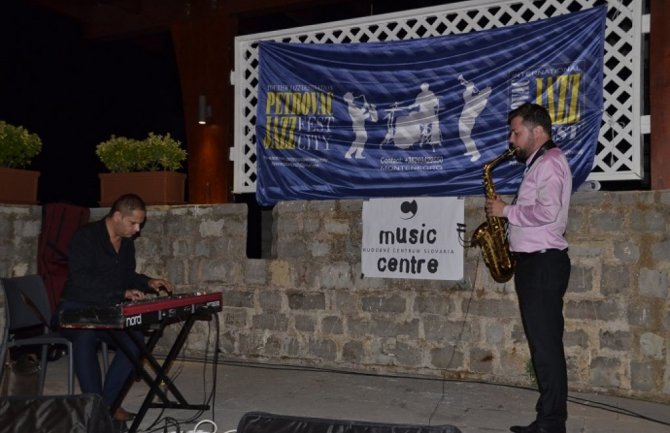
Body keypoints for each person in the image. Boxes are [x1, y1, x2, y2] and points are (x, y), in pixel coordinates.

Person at [485, 103, 572, 433]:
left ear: (537, 131)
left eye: (516, 132)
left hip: (543, 264)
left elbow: (548, 212)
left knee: (546, 347)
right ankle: (548, 417)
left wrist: (506, 212)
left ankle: (551, 423)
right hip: (536, 263)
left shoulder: (549, 163)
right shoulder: (540, 163)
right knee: (542, 345)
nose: (512, 139)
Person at [57, 193, 174, 422]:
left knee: (134, 339)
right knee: (85, 336)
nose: (137, 229)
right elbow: (82, 281)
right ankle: (94, 404)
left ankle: (108, 405)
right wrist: (121, 293)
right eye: (133, 223)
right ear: (117, 216)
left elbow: (126, 275)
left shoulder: (126, 243)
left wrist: (148, 282)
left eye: (140, 223)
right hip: (76, 307)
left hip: (106, 310)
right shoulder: (85, 237)